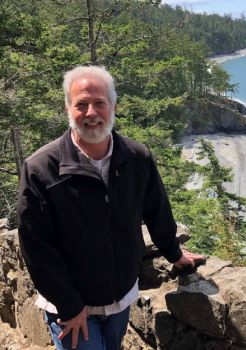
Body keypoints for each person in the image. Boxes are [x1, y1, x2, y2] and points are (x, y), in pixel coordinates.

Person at [16, 65, 205, 349]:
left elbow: (157, 209)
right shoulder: (41, 169)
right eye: (81, 104)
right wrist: (69, 306)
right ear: (68, 109)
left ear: (113, 106)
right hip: (71, 306)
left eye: (99, 103)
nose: (91, 113)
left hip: (121, 298)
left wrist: (174, 252)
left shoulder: (136, 157)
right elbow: (36, 247)